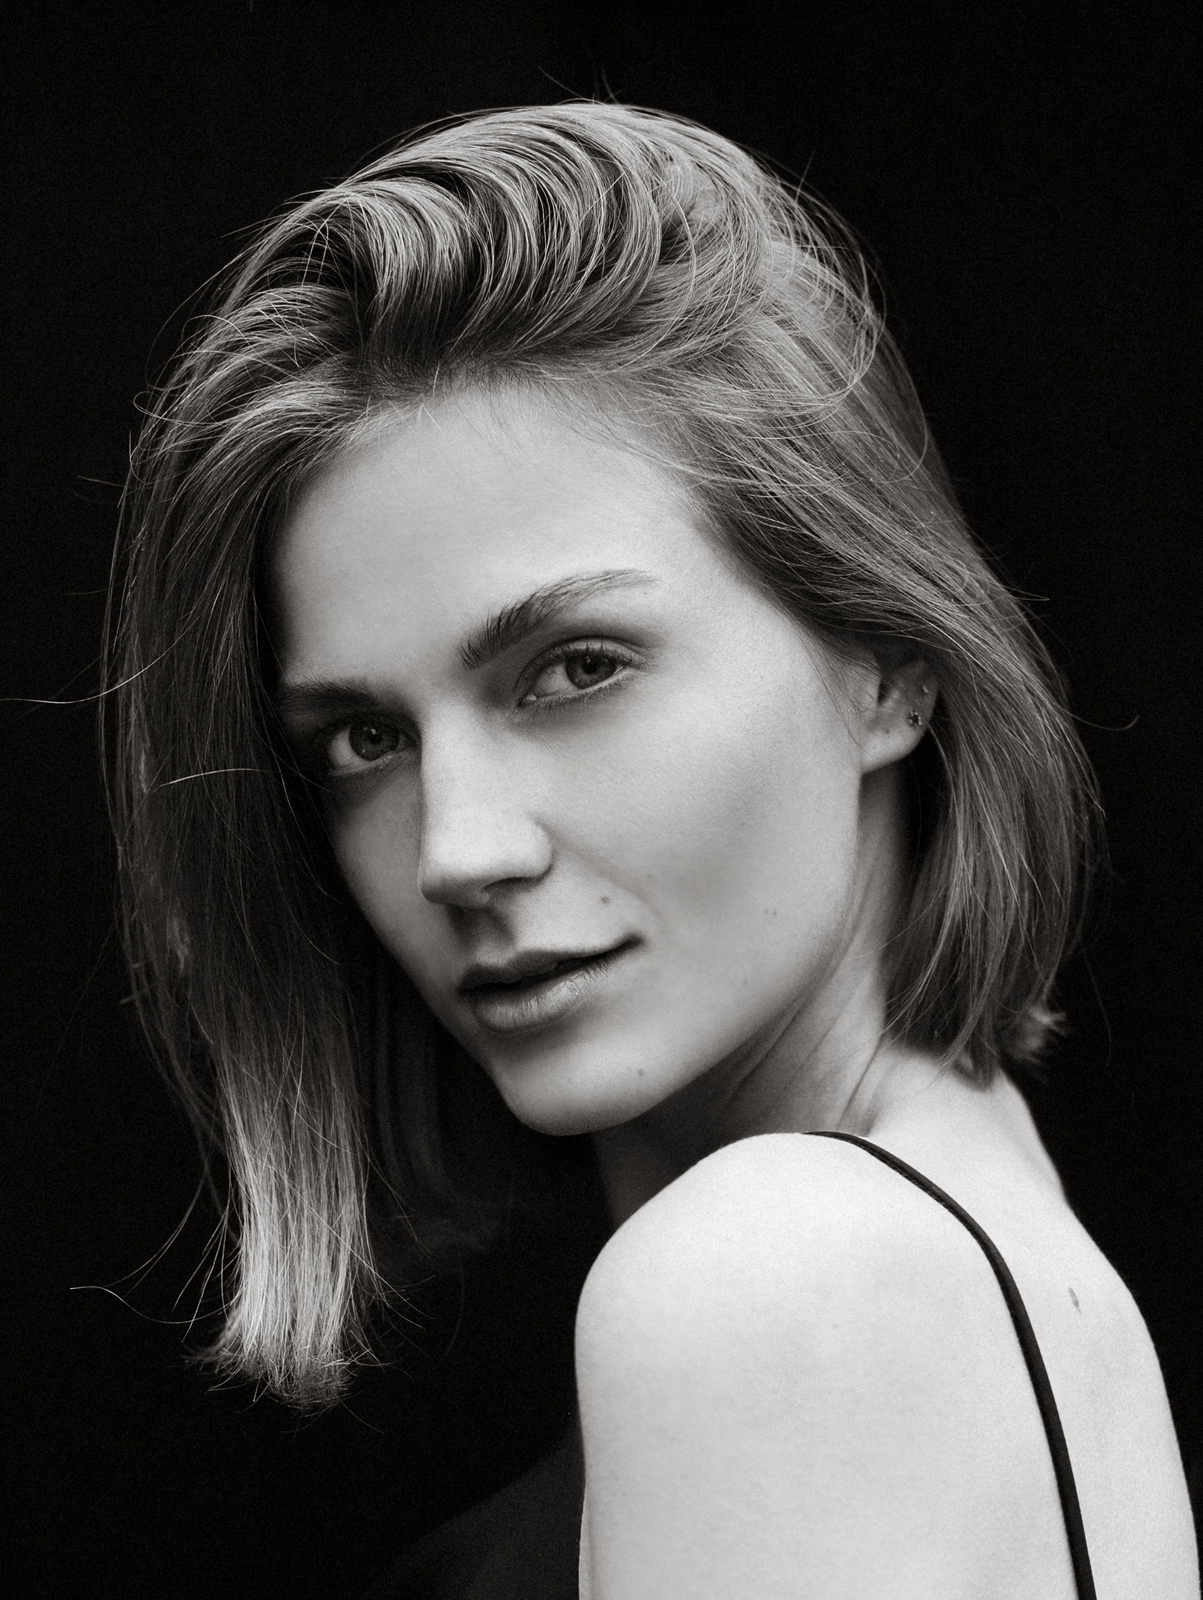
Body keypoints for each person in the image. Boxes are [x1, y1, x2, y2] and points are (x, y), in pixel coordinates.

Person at [105, 101, 1197, 1597]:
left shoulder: (770, 1282)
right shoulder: (975, 1263)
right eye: (364, 740)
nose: (456, 852)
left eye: (576, 669)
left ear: (887, 663)